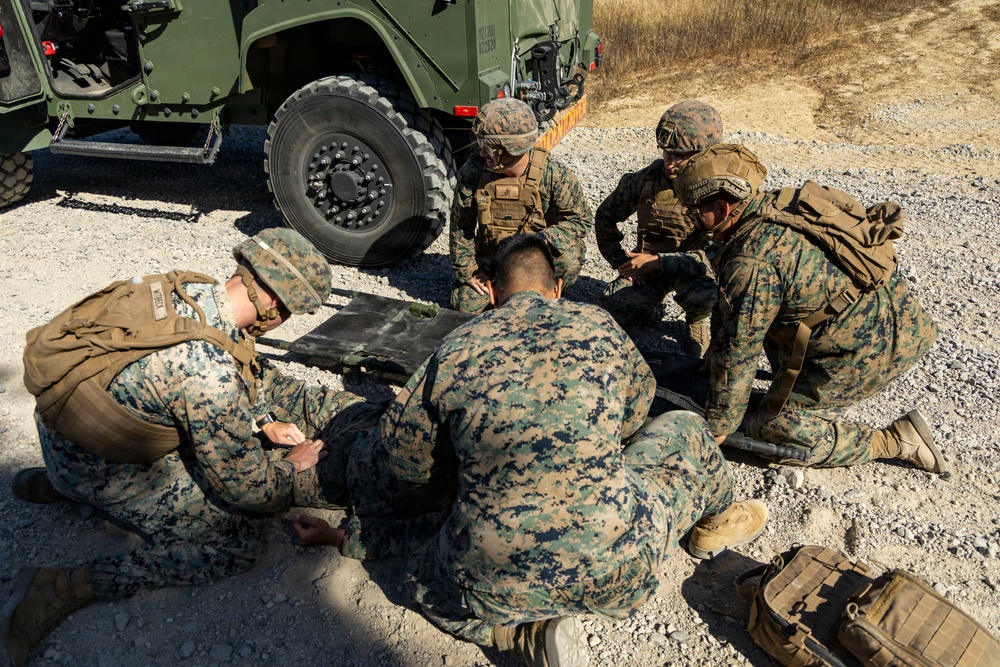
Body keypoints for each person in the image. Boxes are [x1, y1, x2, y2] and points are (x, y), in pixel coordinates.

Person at [297, 234, 768, 667]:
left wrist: (462, 471)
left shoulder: (456, 347)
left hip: (493, 577)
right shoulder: (598, 323)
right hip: (619, 572)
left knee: (428, 584)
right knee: (685, 427)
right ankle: (716, 522)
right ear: (558, 287)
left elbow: (406, 457)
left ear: (490, 292)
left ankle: (516, 634)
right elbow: (635, 411)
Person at [3, 229, 382, 667]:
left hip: (68, 432)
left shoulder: (192, 291)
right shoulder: (208, 374)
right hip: (101, 468)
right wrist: (293, 466)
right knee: (237, 543)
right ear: (275, 306)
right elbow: (251, 491)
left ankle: (62, 483)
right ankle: (63, 584)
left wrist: (264, 418)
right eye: (290, 312)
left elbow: (241, 361)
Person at [671, 144, 946, 471]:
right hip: (886, 316)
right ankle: (794, 402)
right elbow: (734, 308)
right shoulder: (774, 206)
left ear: (722, 207)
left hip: (875, 348)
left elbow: (739, 349)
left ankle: (896, 441)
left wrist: (718, 426)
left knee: (771, 431)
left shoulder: (752, 260)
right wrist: (716, 351)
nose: (692, 220)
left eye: (694, 212)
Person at [595, 100, 722, 356]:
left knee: (708, 293)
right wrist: (621, 262)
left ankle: (697, 319)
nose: (669, 162)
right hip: (647, 270)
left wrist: (660, 262)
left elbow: (717, 254)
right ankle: (649, 306)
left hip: (692, 271)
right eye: (666, 152)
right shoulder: (644, 181)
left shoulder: (718, 192)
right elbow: (604, 218)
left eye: (679, 156)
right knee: (613, 310)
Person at [449, 98, 592, 314]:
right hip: (493, 257)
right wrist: (469, 270)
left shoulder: (553, 174)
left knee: (568, 261)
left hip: (536, 258)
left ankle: (545, 293)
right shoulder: (474, 172)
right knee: (466, 306)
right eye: (481, 145)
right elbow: (461, 225)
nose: (482, 154)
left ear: (512, 148)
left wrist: (542, 239)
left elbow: (580, 221)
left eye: (489, 148)